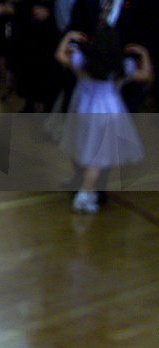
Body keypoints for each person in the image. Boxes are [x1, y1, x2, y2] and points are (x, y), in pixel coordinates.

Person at [55, 28, 152, 214]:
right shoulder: (122, 67)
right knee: (97, 159)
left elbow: (60, 55)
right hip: (109, 113)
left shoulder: (82, 62)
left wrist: (68, 38)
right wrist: (144, 54)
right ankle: (84, 194)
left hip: (84, 110)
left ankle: (87, 194)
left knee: (86, 151)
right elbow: (145, 74)